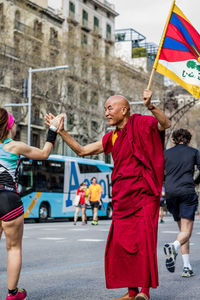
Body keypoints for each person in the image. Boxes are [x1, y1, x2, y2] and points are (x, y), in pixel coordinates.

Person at [45, 89, 170, 300]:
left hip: (144, 195)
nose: (106, 113)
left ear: (124, 110)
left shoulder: (142, 123)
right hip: (123, 197)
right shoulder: (111, 137)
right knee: (122, 244)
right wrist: (62, 132)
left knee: (144, 241)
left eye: (110, 108)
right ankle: (131, 292)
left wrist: (150, 106)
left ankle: (145, 292)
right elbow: (82, 150)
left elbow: (164, 124)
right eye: (105, 109)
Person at [0, 108, 57, 300]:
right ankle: (12, 294)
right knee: (13, 248)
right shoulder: (14, 146)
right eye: (14, 123)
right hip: (8, 198)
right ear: (9, 126)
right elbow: (44, 154)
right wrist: (53, 130)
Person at [164, 129, 200, 277]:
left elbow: (160, 173)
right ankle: (174, 246)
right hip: (186, 192)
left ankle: (187, 267)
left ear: (173, 139)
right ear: (188, 139)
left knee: (182, 231)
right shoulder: (193, 152)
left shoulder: (166, 154)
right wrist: (195, 182)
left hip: (171, 193)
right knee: (186, 232)